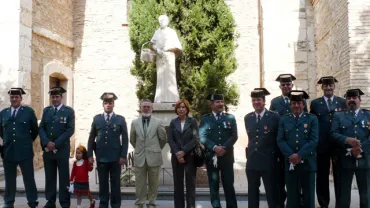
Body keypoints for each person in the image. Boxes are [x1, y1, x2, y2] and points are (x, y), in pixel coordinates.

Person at [269, 74, 307, 207]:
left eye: (288, 84)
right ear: (280, 86)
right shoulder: (275, 102)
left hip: (297, 145)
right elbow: (272, 122)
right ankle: (281, 201)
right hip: (281, 145)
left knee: (299, 175)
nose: (286, 86)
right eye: (283, 84)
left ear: (292, 85)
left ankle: (300, 201)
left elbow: (305, 119)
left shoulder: (301, 100)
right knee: (280, 176)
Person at [277, 90, 318, 208]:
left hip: (308, 163)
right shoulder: (284, 119)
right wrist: (292, 156)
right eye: (293, 103)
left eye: (299, 103)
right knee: (292, 196)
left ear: (303, 104)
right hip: (290, 163)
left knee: (309, 197)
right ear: (290, 105)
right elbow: (280, 140)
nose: (296, 106)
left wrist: (299, 155)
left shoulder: (312, 119)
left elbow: (314, 140)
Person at [309, 76, 346, 208]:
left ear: (334, 86)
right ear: (322, 87)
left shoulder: (342, 102)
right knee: (322, 176)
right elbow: (312, 124)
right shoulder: (315, 103)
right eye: (326, 85)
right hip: (322, 145)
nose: (328, 87)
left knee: (340, 176)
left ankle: (340, 203)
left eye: (331, 85)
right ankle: (323, 203)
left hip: (338, 145)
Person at [87, 92, 128, 208]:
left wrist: (123, 156)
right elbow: (91, 138)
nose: (108, 105)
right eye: (106, 103)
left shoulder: (120, 119)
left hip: (116, 158)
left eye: (110, 103)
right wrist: (90, 155)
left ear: (113, 104)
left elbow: (125, 139)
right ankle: (103, 205)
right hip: (101, 157)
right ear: (103, 105)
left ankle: (115, 205)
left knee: (115, 185)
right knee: (103, 185)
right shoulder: (97, 119)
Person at [331, 89, 370, 208]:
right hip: (345, 158)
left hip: (364, 158)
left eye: (354, 98)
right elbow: (333, 133)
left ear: (359, 100)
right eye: (349, 98)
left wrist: (360, 148)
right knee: (344, 194)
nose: (351, 100)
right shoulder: (339, 115)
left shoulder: (368, 115)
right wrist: (347, 140)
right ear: (346, 101)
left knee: (366, 193)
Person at [0, 88, 39, 208]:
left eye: (17, 97)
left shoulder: (28, 112)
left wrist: (26, 141)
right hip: (8, 151)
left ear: (21, 98)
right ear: (10, 99)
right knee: (10, 179)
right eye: (12, 97)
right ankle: (8, 202)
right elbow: (1, 131)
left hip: (25, 151)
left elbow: (35, 130)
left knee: (28, 178)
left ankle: (32, 202)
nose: (14, 99)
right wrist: (7, 141)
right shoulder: (3, 113)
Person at [199, 94, 238, 208]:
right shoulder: (205, 119)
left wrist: (223, 148)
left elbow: (234, 136)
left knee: (229, 185)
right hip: (212, 156)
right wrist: (215, 147)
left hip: (227, 156)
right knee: (213, 185)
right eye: (217, 102)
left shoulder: (230, 117)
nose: (220, 104)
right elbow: (202, 136)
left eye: (222, 101)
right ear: (211, 105)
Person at [39, 86, 75, 208]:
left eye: (57, 96)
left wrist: (55, 143)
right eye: (53, 97)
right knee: (49, 177)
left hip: (62, 150)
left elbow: (70, 130)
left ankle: (65, 202)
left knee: (64, 177)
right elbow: (42, 128)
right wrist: (46, 142)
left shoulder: (68, 111)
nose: (55, 99)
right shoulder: (47, 111)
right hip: (48, 150)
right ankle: (50, 201)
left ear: (61, 97)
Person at [244, 88, 279, 208]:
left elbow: (277, 139)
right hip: (252, 161)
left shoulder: (274, 117)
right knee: (252, 193)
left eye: (258, 100)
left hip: (269, 161)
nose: (256, 102)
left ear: (264, 101)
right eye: (254, 100)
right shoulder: (248, 118)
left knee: (272, 193)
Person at [130, 99, 167, 208]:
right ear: (141, 108)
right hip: (140, 156)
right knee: (139, 183)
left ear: (152, 108)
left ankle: (152, 203)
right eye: (144, 107)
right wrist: (140, 149)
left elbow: (163, 139)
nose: (146, 108)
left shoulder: (158, 122)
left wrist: (155, 149)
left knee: (153, 182)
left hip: (154, 156)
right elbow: (132, 139)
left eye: (148, 107)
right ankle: (139, 203)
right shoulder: (135, 122)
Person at [168, 99, 198, 208]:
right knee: (178, 184)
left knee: (190, 185)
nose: (181, 109)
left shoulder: (192, 121)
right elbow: (170, 140)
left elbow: (195, 139)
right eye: (179, 107)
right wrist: (177, 153)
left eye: (183, 107)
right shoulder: (173, 122)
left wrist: (183, 151)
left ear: (187, 109)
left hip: (189, 157)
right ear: (176, 109)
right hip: (176, 158)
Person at [150, 14, 183, 103]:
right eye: (160, 21)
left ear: (167, 21)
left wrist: (168, 49)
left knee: (170, 77)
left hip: (169, 57)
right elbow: (151, 44)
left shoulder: (172, 32)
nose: (161, 22)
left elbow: (178, 48)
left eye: (163, 20)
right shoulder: (157, 32)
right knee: (161, 78)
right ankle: (159, 99)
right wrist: (157, 49)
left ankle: (173, 99)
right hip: (160, 57)